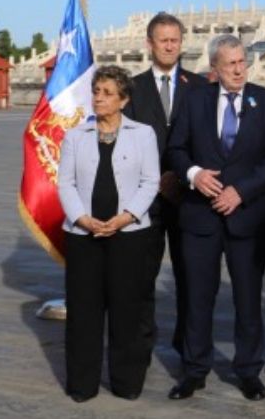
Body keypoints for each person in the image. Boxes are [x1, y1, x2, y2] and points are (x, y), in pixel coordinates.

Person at [165, 34, 265, 402]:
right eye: (230, 64)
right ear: (214, 69)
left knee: (248, 298)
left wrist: (242, 191)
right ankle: (194, 370)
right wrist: (193, 175)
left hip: (246, 217)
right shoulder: (192, 100)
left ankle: (248, 370)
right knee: (197, 297)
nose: (238, 69)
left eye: (242, 62)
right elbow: (175, 148)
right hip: (199, 217)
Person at [57, 65, 160, 402]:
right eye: (96, 92)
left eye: (107, 93)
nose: (98, 99)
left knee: (126, 311)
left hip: (129, 234)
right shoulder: (75, 135)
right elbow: (66, 183)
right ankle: (82, 384)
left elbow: (150, 182)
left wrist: (125, 218)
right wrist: (82, 219)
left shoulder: (143, 134)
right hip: (83, 234)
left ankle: (126, 381)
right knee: (84, 311)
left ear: (124, 100)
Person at [123, 12, 209, 358]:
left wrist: (183, 174)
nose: (170, 46)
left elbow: (209, 141)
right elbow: (124, 144)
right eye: (163, 40)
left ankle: (187, 347)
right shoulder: (132, 89)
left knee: (190, 279)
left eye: (175, 39)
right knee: (142, 278)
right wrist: (155, 180)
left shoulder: (201, 88)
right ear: (150, 44)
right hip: (146, 201)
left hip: (190, 197)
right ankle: (141, 346)